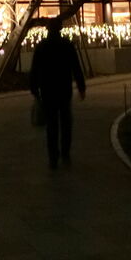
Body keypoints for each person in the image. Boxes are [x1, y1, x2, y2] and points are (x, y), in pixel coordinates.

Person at [29, 16, 86, 169]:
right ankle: (65, 154)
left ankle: (53, 157)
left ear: (48, 30)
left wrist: (34, 89)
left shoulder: (42, 46)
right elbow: (76, 67)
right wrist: (81, 87)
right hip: (64, 89)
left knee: (51, 125)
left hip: (48, 90)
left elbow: (35, 69)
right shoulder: (67, 45)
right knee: (66, 123)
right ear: (60, 29)